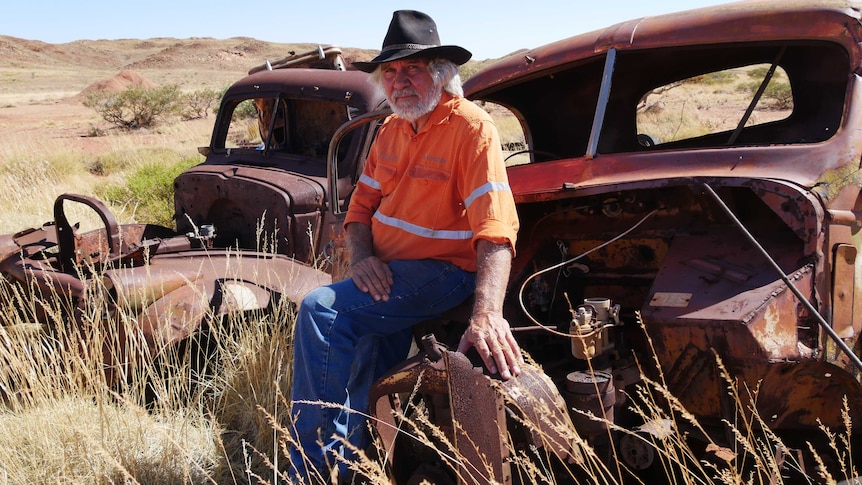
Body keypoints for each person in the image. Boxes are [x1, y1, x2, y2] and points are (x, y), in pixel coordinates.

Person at [289, 9, 522, 482]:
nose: (399, 82)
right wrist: (363, 257)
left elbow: (496, 228)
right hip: (390, 272)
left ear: (441, 74)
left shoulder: (471, 129)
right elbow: (358, 212)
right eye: (390, 72)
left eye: (412, 69)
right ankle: (352, 468)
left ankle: (313, 471)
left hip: (442, 272)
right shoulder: (391, 131)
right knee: (361, 361)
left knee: (323, 311)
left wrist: (487, 314)